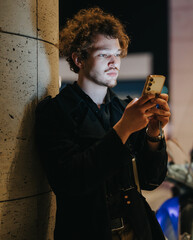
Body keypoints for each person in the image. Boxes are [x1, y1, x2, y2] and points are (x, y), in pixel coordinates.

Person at [35, 7, 171, 240]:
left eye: (117, 54)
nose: (114, 62)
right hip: (86, 231)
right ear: (79, 59)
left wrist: (153, 133)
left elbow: (151, 180)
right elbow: (70, 181)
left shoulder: (123, 108)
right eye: (103, 54)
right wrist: (124, 128)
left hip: (137, 230)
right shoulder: (56, 111)